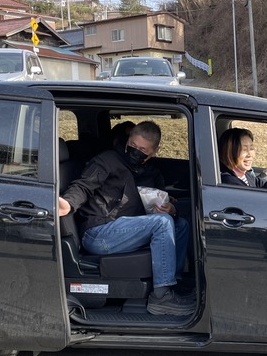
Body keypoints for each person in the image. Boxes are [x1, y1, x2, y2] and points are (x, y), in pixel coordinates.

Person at [58, 121, 193, 316]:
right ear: (128, 139)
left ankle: (173, 285)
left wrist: (171, 208)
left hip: (126, 230)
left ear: (154, 152)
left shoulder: (151, 172)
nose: (136, 152)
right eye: (133, 145)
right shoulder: (107, 161)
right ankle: (161, 297)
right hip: (99, 232)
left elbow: (160, 198)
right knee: (162, 223)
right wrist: (68, 203)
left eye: (143, 150)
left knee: (180, 224)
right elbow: (84, 186)